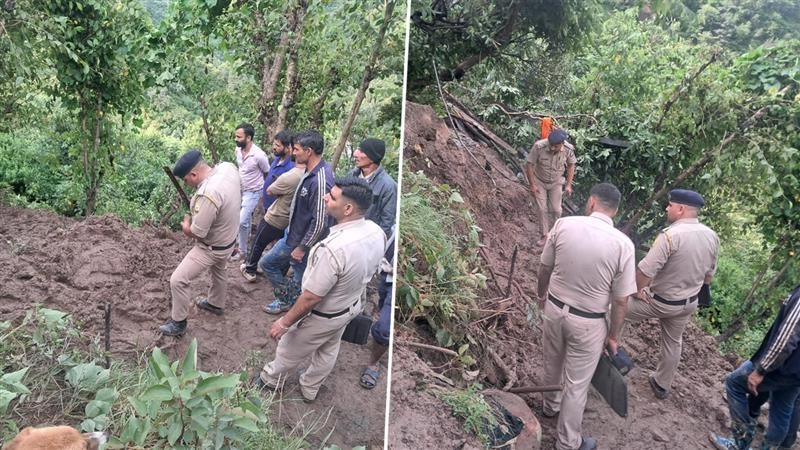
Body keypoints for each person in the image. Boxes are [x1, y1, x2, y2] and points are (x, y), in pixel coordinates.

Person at [252, 176, 385, 402]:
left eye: (332, 197)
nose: (325, 197)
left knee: (288, 347)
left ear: (348, 208)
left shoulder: (334, 249)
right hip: (350, 307)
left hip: (324, 313)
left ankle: (271, 380)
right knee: (329, 347)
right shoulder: (375, 231)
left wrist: (285, 322)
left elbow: (312, 297)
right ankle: (310, 387)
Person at [537, 183, 637, 450]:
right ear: (614, 211)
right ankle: (567, 443)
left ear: (592, 202)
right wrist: (613, 336)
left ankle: (549, 406)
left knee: (552, 362)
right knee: (577, 384)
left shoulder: (564, 225)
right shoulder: (623, 245)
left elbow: (544, 267)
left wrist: (540, 296)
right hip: (589, 322)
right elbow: (620, 299)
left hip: (554, 309)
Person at [624, 189, 720, 399]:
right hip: (687, 303)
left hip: (660, 301)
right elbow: (708, 276)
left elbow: (645, 271)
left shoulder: (670, 236)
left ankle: (603, 354)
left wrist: (635, 291)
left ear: (681, 209)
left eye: (670, 205)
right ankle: (661, 384)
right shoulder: (712, 236)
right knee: (673, 342)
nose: (667, 208)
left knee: (615, 310)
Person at [159, 149, 241, 336]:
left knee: (178, 280)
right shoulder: (228, 168)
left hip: (212, 246)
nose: (186, 185)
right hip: (229, 239)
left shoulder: (207, 194)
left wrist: (187, 226)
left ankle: (178, 323)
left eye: (186, 180)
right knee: (219, 270)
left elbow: (198, 232)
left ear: (194, 174)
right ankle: (216, 303)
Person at [710, 284, 800, 450]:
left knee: (734, 383)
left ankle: (739, 442)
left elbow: (786, 339)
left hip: (781, 367)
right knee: (782, 409)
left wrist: (761, 369)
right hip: (795, 373)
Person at [260, 130, 334, 314]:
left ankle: (291, 305)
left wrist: (303, 247)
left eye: (297, 149)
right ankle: (290, 301)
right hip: (294, 234)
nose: (294, 153)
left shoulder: (320, 180)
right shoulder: (311, 172)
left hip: (302, 240)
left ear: (308, 151)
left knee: (271, 265)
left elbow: (320, 221)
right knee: (297, 274)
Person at [240, 131, 301, 281]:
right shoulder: (277, 160)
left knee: (259, 241)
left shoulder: (291, 168)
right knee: (277, 243)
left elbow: (273, 188)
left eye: (278, 145)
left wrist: (274, 188)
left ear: (288, 148)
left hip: (278, 214)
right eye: (274, 144)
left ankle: (250, 269)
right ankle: (274, 269)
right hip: (272, 208)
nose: (274, 147)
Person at [525, 128, 577, 246]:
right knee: (542, 209)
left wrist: (568, 185)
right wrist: (532, 185)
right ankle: (544, 235)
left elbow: (571, 165)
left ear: (562, 144)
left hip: (556, 181)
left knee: (556, 209)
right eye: (551, 145)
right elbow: (529, 165)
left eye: (555, 146)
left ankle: (554, 235)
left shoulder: (568, 150)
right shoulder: (539, 147)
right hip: (539, 181)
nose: (552, 148)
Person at [359, 225, 396, 389]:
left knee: (384, 328)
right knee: (382, 306)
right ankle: (380, 340)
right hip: (386, 271)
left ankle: (373, 363)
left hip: (394, 279)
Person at [233, 122, 270, 261]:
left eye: (239, 137)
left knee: (241, 221)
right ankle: (244, 248)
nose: (236, 139)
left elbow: (267, 172)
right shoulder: (237, 150)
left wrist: (264, 192)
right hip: (240, 189)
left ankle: (242, 252)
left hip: (253, 191)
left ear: (248, 138)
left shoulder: (259, 155)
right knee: (245, 221)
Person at [348, 138, 397, 237]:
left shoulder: (388, 186)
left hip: (368, 240)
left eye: (362, 151)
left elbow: (386, 224)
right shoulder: (352, 175)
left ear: (373, 157)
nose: (355, 154)